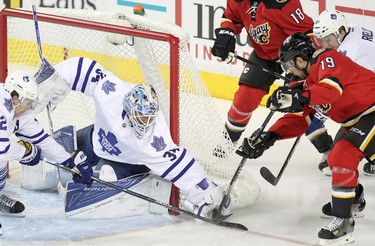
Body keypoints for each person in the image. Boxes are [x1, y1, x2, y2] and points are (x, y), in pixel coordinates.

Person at [37, 57, 231, 220]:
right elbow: (86, 69)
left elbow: (180, 162)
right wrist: (55, 78)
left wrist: (208, 192)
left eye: (149, 118)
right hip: (95, 139)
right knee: (53, 148)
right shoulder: (111, 92)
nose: (145, 123)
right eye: (141, 116)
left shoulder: (155, 140)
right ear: (129, 109)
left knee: (100, 179)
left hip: (125, 162)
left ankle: (122, 178)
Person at [237, 32, 375, 245]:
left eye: (288, 65)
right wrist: (269, 137)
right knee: (336, 161)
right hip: (357, 121)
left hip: (371, 113)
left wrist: (298, 96)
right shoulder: (306, 84)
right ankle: (352, 202)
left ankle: (344, 221)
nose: (288, 72)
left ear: (301, 60)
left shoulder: (327, 59)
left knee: (341, 155)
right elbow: (302, 120)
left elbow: (331, 91)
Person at [0, 70, 94, 235]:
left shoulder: (19, 111)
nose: (30, 106)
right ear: (16, 97)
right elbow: (2, 148)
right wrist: (26, 153)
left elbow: (42, 140)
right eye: (28, 101)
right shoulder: (2, 104)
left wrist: (69, 162)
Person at [311, 9, 375, 176]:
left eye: (328, 40)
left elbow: (339, 91)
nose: (325, 45)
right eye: (322, 41)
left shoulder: (350, 52)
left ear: (340, 31)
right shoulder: (350, 29)